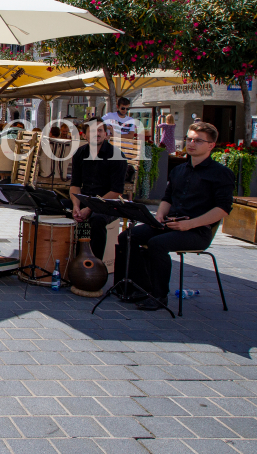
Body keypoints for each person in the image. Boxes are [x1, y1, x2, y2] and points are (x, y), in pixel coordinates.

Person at [114, 121, 234, 311]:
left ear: (211, 145)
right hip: (170, 225)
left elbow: (223, 209)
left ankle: (159, 296)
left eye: (198, 141)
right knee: (127, 237)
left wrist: (190, 224)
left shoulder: (221, 173)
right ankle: (140, 288)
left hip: (197, 231)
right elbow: (167, 198)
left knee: (157, 244)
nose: (191, 143)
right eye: (189, 139)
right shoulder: (178, 170)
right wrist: (160, 214)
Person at [69, 118, 127, 260]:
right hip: (85, 199)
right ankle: (65, 262)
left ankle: (94, 266)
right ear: (85, 135)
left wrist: (90, 209)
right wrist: (76, 206)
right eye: (93, 131)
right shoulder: (80, 154)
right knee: (53, 209)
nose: (98, 134)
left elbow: (116, 191)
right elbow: (75, 185)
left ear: (106, 134)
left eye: (100, 130)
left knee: (97, 220)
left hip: (108, 203)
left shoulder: (117, 156)